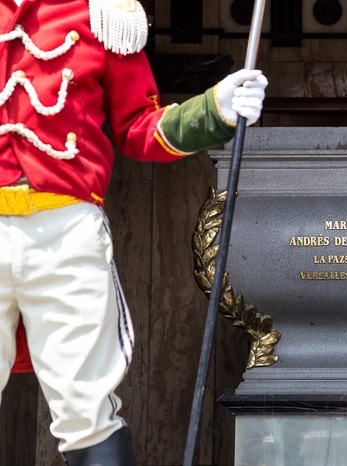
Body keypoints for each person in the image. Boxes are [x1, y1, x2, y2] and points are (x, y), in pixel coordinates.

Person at [0, 0, 267, 464]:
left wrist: (212, 110)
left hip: (66, 234)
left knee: (87, 413)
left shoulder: (104, 13)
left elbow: (138, 127)